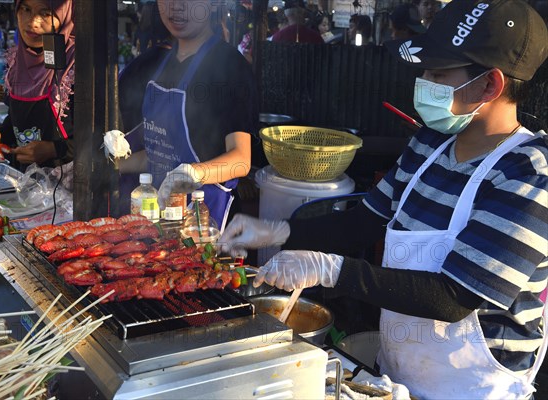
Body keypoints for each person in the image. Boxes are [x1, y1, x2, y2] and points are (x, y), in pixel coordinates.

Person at [219, 0, 548, 398]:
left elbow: (455, 296)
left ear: (490, 85)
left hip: (477, 390)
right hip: (396, 379)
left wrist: (331, 270)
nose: (423, 80)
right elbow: (362, 222)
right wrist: (276, 231)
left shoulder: (527, 173)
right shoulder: (429, 144)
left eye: (438, 72)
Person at [118, 0, 258, 229]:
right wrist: (104, 166)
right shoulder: (157, 62)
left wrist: (192, 173)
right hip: (159, 219)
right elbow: (156, 154)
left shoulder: (231, 67)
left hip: (207, 222)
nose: (176, 7)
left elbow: (241, 160)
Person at [0, 0, 75, 169]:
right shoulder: (16, 64)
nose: (33, 22)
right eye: (26, 9)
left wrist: (54, 150)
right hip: (26, 186)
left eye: (46, 13)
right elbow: (17, 123)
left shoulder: (78, 66)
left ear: (64, 16)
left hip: (70, 189)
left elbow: (105, 139)